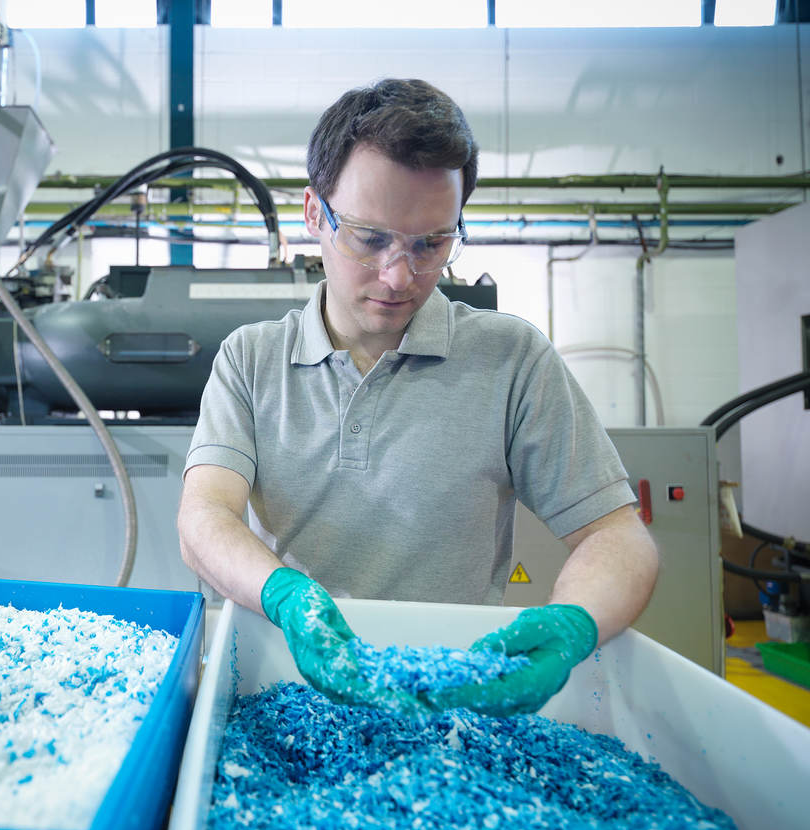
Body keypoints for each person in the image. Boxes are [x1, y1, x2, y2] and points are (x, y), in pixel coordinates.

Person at [176, 78, 659, 719]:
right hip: (283, 688)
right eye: (370, 239)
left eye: (431, 243)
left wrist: (575, 623)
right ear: (314, 214)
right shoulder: (251, 358)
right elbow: (205, 516)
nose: (400, 276)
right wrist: (289, 597)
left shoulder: (512, 360)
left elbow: (617, 536)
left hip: (456, 703)